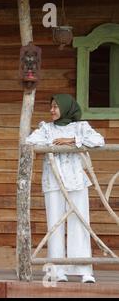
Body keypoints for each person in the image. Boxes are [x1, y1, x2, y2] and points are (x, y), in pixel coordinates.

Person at [26, 94, 104, 283]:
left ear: (66, 108)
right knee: (55, 225)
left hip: (77, 181)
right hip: (54, 181)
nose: (52, 110)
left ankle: (84, 270)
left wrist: (71, 140)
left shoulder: (81, 127)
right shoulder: (46, 128)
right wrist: (52, 142)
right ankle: (57, 271)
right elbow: (30, 141)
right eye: (51, 106)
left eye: (56, 107)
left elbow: (98, 140)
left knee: (80, 222)